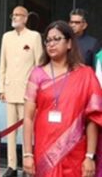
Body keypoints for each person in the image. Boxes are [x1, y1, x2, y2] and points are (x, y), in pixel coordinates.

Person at [22, 21, 102, 176]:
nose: (51, 44)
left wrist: (89, 156)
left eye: (56, 39)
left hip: (75, 150)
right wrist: (27, 154)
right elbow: (28, 118)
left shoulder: (86, 75)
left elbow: (93, 119)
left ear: (69, 43)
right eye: (48, 40)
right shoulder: (37, 74)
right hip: (44, 149)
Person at [0, 5, 42, 177]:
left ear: (25, 18)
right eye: (13, 14)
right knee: (10, 131)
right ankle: (12, 166)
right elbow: (3, 63)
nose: (15, 17)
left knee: (27, 130)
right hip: (10, 90)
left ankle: (27, 165)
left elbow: (39, 66)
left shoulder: (34, 36)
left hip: (28, 93)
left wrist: (38, 91)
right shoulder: (6, 37)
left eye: (18, 15)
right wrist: (1, 88)